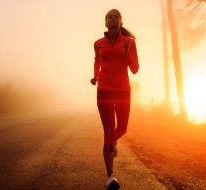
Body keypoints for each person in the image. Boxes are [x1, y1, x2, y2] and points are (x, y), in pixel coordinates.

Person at [90, 9, 139, 190]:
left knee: (123, 128)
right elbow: (97, 61)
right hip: (104, 90)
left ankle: (113, 143)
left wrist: (126, 53)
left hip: (123, 90)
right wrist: (95, 76)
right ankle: (110, 176)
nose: (112, 18)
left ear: (120, 23)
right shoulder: (98, 44)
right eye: (109, 16)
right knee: (109, 131)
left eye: (116, 16)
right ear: (105, 23)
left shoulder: (129, 42)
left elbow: (135, 69)